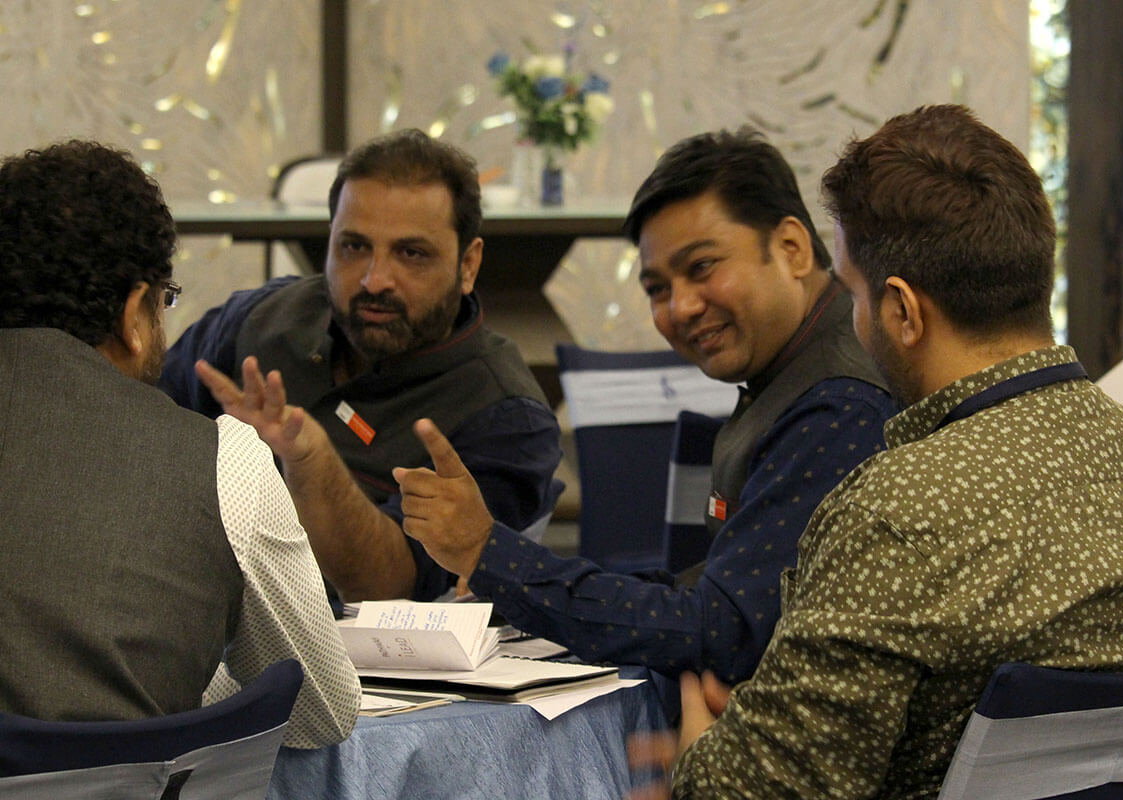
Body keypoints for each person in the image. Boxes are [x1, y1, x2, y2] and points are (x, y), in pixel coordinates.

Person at [636, 104, 1123, 798]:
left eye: (852, 294)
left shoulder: (896, 510)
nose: (853, 318)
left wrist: (698, 753)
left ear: (902, 311)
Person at [393, 128, 896, 684]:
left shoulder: (838, 406)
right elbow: (713, 595)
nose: (681, 307)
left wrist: (490, 554)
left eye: (702, 267)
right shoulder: (794, 371)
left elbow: (721, 634)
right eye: (657, 288)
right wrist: (511, 578)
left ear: (792, 249)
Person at [0, 140, 359, 748]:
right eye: (164, 300)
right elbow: (319, 712)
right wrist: (188, 670)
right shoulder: (225, 463)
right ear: (133, 315)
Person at [159, 129, 562, 603]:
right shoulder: (261, 320)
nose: (375, 280)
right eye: (353, 247)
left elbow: (390, 589)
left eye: (411, 253)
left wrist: (311, 461)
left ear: (468, 265)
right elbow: (137, 425)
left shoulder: (504, 415)